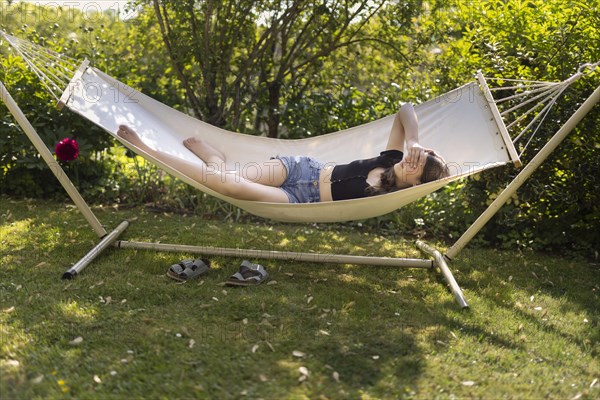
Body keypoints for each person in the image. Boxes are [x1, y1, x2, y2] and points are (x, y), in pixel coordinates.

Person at [116, 103, 449, 203]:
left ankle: (150, 150)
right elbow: (404, 110)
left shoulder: (394, 195)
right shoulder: (393, 158)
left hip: (303, 202)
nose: (410, 161)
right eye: (413, 156)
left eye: (415, 165)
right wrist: (414, 141)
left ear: (418, 183)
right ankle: (211, 159)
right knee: (220, 179)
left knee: (227, 184)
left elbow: (439, 179)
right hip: (300, 171)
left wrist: (429, 165)